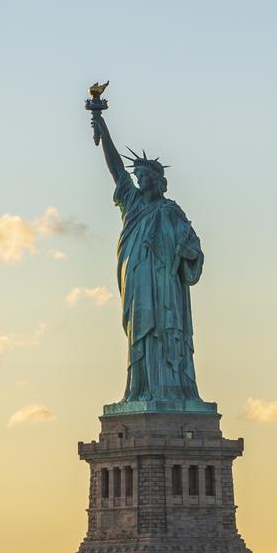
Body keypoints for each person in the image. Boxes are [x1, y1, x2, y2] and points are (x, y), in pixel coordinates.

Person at [90, 109, 206, 405]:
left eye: (145, 177)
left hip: (166, 286)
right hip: (138, 281)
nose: (140, 181)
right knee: (141, 335)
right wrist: (103, 129)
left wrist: (189, 254)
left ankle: (171, 390)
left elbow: (194, 250)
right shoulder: (131, 203)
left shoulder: (171, 212)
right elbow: (116, 169)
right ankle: (141, 389)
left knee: (167, 333)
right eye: (138, 176)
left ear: (157, 181)